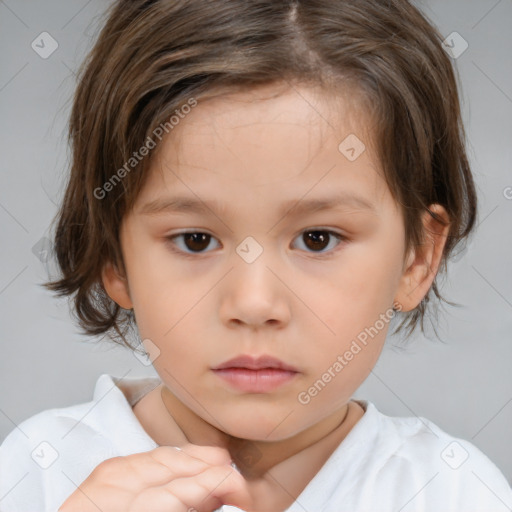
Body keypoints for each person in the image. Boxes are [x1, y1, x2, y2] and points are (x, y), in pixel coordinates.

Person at [1, 0, 511, 511]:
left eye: (317, 239)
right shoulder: (42, 474)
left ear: (416, 258)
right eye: (195, 240)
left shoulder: (452, 490)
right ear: (113, 255)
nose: (253, 302)